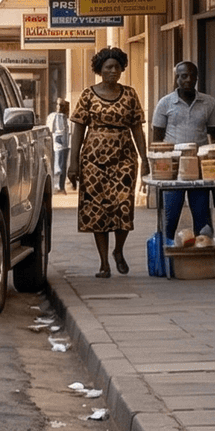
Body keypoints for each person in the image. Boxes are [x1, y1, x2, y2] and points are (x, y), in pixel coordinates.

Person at [67, 46, 148, 278]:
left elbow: (137, 129)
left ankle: (118, 250)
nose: (113, 71)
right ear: (99, 70)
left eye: (117, 67)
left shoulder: (130, 94)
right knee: (97, 211)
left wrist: (145, 159)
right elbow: (77, 131)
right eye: (108, 67)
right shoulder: (88, 95)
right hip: (93, 161)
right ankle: (103, 263)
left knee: (123, 207)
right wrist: (73, 163)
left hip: (124, 159)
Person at [151, 60, 215, 242]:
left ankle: (203, 256)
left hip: (198, 168)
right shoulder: (165, 103)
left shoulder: (208, 102)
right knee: (171, 217)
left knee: (202, 218)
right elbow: (156, 141)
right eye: (184, 76)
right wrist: (157, 167)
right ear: (177, 78)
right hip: (172, 170)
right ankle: (167, 258)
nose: (188, 80)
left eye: (192, 76)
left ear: (197, 78)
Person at [46, 99, 71, 191]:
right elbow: (50, 130)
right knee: (57, 167)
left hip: (65, 145)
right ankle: (56, 186)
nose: (59, 107)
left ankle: (61, 186)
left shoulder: (65, 118)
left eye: (62, 105)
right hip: (56, 145)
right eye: (58, 105)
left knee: (63, 166)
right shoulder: (53, 116)